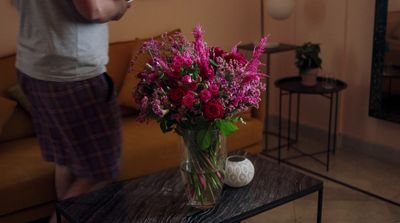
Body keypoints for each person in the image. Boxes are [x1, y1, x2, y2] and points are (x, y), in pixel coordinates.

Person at [13, 0, 131, 222]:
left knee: (66, 160)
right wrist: (121, 5)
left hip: (33, 66)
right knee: (102, 170)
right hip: (71, 71)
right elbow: (92, 9)